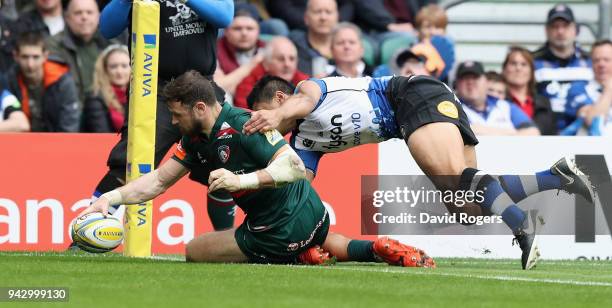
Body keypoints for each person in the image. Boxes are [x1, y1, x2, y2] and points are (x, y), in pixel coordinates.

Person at [78, 70, 435, 267]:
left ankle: (295, 257)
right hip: (312, 213)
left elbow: (294, 165)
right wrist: (108, 199)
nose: (172, 120)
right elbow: (157, 182)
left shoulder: (245, 125)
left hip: (276, 228)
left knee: (194, 251)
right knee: (325, 241)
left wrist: (240, 180)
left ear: (199, 107)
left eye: (176, 113)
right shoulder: (196, 139)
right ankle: (375, 249)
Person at [243, 73, 594, 270]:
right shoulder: (303, 141)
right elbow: (299, 187)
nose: (268, 126)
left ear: (277, 99)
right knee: (466, 205)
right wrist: (257, 188)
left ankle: (521, 224)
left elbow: (303, 101)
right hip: (416, 112)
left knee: (460, 181)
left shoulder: (306, 90)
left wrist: (272, 119)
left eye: (264, 114)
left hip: (409, 96)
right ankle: (556, 176)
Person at [88, 0, 236, 232]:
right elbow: (107, 29)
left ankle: (225, 241)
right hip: (153, 88)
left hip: (201, 85)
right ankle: (87, 233)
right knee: (129, 163)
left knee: (225, 162)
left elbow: (225, 17)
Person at [533, 4, 593, 132]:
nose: (560, 31)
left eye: (565, 26)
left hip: (584, 133)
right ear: (546, 30)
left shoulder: (591, 61)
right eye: (555, 27)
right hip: (544, 134)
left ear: (575, 29)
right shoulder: (532, 62)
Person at [6, 31, 80, 132]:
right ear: (16, 56)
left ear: (45, 56)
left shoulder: (62, 81)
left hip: (56, 142)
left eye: (36, 57)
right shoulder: (8, 81)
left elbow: (69, 126)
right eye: (25, 57)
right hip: (21, 142)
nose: (30, 64)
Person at [47, 0, 113, 101]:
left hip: (105, 110)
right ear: (67, 18)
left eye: (89, 12)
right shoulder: (52, 46)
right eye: (78, 13)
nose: (84, 17)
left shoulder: (111, 44)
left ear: (99, 17)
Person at [455, 61, 540, 136]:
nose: (470, 82)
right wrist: (511, 132)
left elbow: (533, 132)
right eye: (465, 78)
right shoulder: (452, 108)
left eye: (475, 77)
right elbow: (458, 132)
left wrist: (481, 130)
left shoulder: (505, 106)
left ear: (486, 81)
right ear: (457, 84)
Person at [234, 36, 308, 109]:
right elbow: (244, 114)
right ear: (266, 63)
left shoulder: (305, 82)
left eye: (292, 59)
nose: (287, 64)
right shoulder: (249, 83)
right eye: (281, 59)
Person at [502, 46, 556, 135]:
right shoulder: (496, 100)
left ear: (531, 72)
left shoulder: (544, 103)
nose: (518, 68)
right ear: (504, 69)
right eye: (513, 63)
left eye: (524, 64)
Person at [214, 5, 265, 98]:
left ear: (258, 31)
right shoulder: (214, 50)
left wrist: (231, 82)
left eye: (250, 28)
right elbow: (217, 88)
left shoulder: (270, 49)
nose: (244, 33)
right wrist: (254, 63)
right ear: (226, 31)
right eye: (237, 28)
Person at [82, 44, 129, 133]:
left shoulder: (138, 97)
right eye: (113, 66)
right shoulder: (95, 99)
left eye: (124, 66)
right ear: (104, 69)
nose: (119, 71)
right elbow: (101, 133)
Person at [288, 0, 338, 77]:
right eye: (317, 12)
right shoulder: (292, 45)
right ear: (306, 18)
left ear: (337, 17)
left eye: (328, 12)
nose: (323, 17)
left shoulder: (346, 47)